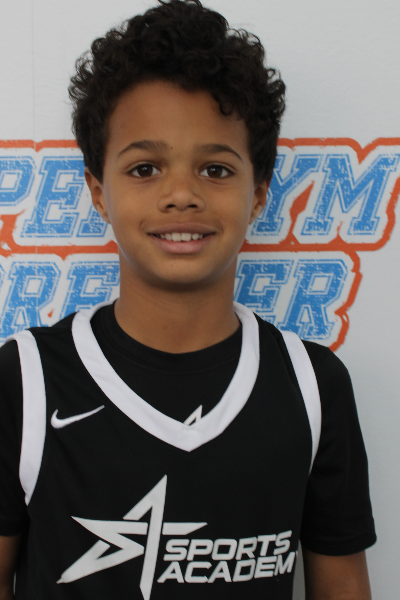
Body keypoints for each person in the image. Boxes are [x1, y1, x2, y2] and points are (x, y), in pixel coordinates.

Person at [0, 1, 376, 598]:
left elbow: (343, 586)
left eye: (216, 170)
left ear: (259, 194)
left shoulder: (312, 385)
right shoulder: (25, 380)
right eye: (145, 168)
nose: (181, 194)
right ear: (98, 192)